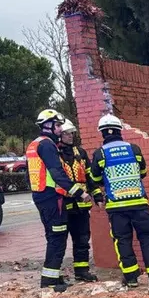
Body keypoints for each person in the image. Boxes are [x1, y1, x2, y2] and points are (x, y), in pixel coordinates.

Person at [89, 115, 149, 288]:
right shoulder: (134, 149)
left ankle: (131, 278)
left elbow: (95, 177)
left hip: (116, 207)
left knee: (123, 241)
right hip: (139, 204)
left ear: (102, 133)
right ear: (120, 131)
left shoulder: (100, 154)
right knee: (147, 238)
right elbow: (143, 171)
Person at [26, 109, 86, 292]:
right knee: (58, 238)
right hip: (52, 197)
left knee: (52, 236)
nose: (60, 129)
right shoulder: (47, 145)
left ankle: (54, 277)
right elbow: (56, 172)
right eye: (58, 125)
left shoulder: (34, 144)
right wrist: (78, 192)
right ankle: (50, 282)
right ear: (48, 125)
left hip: (41, 195)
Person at [58, 120, 98, 282]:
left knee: (82, 240)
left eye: (71, 133)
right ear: (59, 135)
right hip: (63, 206)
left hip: (81, 207)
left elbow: (89, 177)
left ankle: (82, 272)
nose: (70, 136)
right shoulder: (54, 154)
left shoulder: (80, 153)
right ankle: (56, 274)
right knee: (59, 241)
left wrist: (98, 195)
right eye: (66, 133)